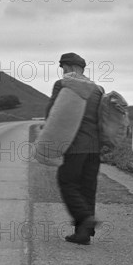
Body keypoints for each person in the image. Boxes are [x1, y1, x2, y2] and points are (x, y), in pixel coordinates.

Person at [45, 52, 104, 245]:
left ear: (68, 67)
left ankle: (85, 218)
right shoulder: (97, 89)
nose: (62, 72)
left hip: (74, 145)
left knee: (67, 182)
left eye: (63, 69)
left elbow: (52, 114)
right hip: (94, 148)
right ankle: (83, 234)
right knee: (88, 188)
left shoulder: (63, 85)